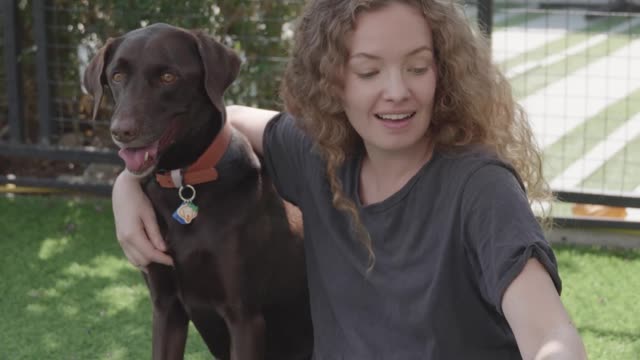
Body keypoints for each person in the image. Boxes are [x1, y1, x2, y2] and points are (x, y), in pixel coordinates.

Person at [112, 0, 587, 358]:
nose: (397, 91)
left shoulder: (480, 187)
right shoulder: (319, 157)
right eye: (368, 71)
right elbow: (227, 117)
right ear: (332, 80)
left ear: (444, 74)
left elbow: (549, 331)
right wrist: (128, 183)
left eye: (418, 67)